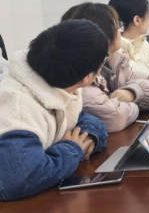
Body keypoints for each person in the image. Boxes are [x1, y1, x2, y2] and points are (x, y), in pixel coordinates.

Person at [0, 20, 109, 201]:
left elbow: (86, 119)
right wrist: (73, 149)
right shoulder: (19, 108)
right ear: (88, 77)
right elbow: (19, 179)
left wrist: (88, 137)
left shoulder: (59, 81)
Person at [61, 3, 149, 132]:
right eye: (117, 26)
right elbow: (117, 117)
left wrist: (132, 93)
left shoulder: (116, 60)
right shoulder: (82, 78)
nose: (121, 31)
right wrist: (134, 102)